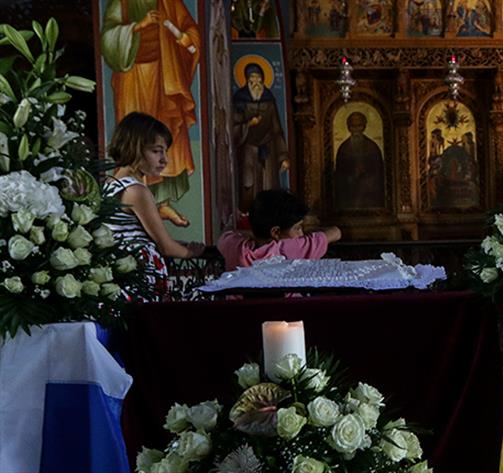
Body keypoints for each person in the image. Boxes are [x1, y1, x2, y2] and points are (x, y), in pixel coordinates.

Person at [100, 0, 200, 227]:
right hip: (132, 75)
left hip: (164, 72)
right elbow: (108, 38)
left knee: (161, 136)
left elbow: (190, 29)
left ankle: (161, 202)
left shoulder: (169, 2)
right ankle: (137, 203)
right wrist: (137, 26)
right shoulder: (122, 2)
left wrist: (187, 38)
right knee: (137, 138)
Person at [104, 113, 206, 300]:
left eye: (164, 151)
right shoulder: (136, 191)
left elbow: (140, 234)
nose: (164, 160)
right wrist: (191, 252)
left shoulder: (112, 183)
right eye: (156, 151)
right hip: (138, 281)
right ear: (135, 148)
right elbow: (166, 246)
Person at [217, 189, 342, 271]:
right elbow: (336, 232)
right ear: (275, 232)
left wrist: (252, 234)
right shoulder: (289, 248)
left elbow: (226, 235)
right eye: (297, 228)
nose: (301, 234)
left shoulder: (236, 246)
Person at [233, 62, 290, 211]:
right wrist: (248, 124)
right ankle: (247, 215)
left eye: (259, 80)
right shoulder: (240, 100)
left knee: (268, 185)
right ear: (247, 81)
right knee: (248, 184)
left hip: (268, 150)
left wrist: (283, 156)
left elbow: (277, 129)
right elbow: (233, 128)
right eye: (252, 80)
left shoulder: (269, 100)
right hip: (248, 150)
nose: (256, 84)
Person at [333, 112, 385, 208]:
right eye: (353, 126)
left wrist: (365, 175)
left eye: (359, 126)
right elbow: (339, 175)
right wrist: (351, 177)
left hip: (369, 195)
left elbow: (378, 173)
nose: (356, 130)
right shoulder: (344, 148)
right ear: (348, 128)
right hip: (349, 193)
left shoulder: (372, 147)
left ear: (364, 127)